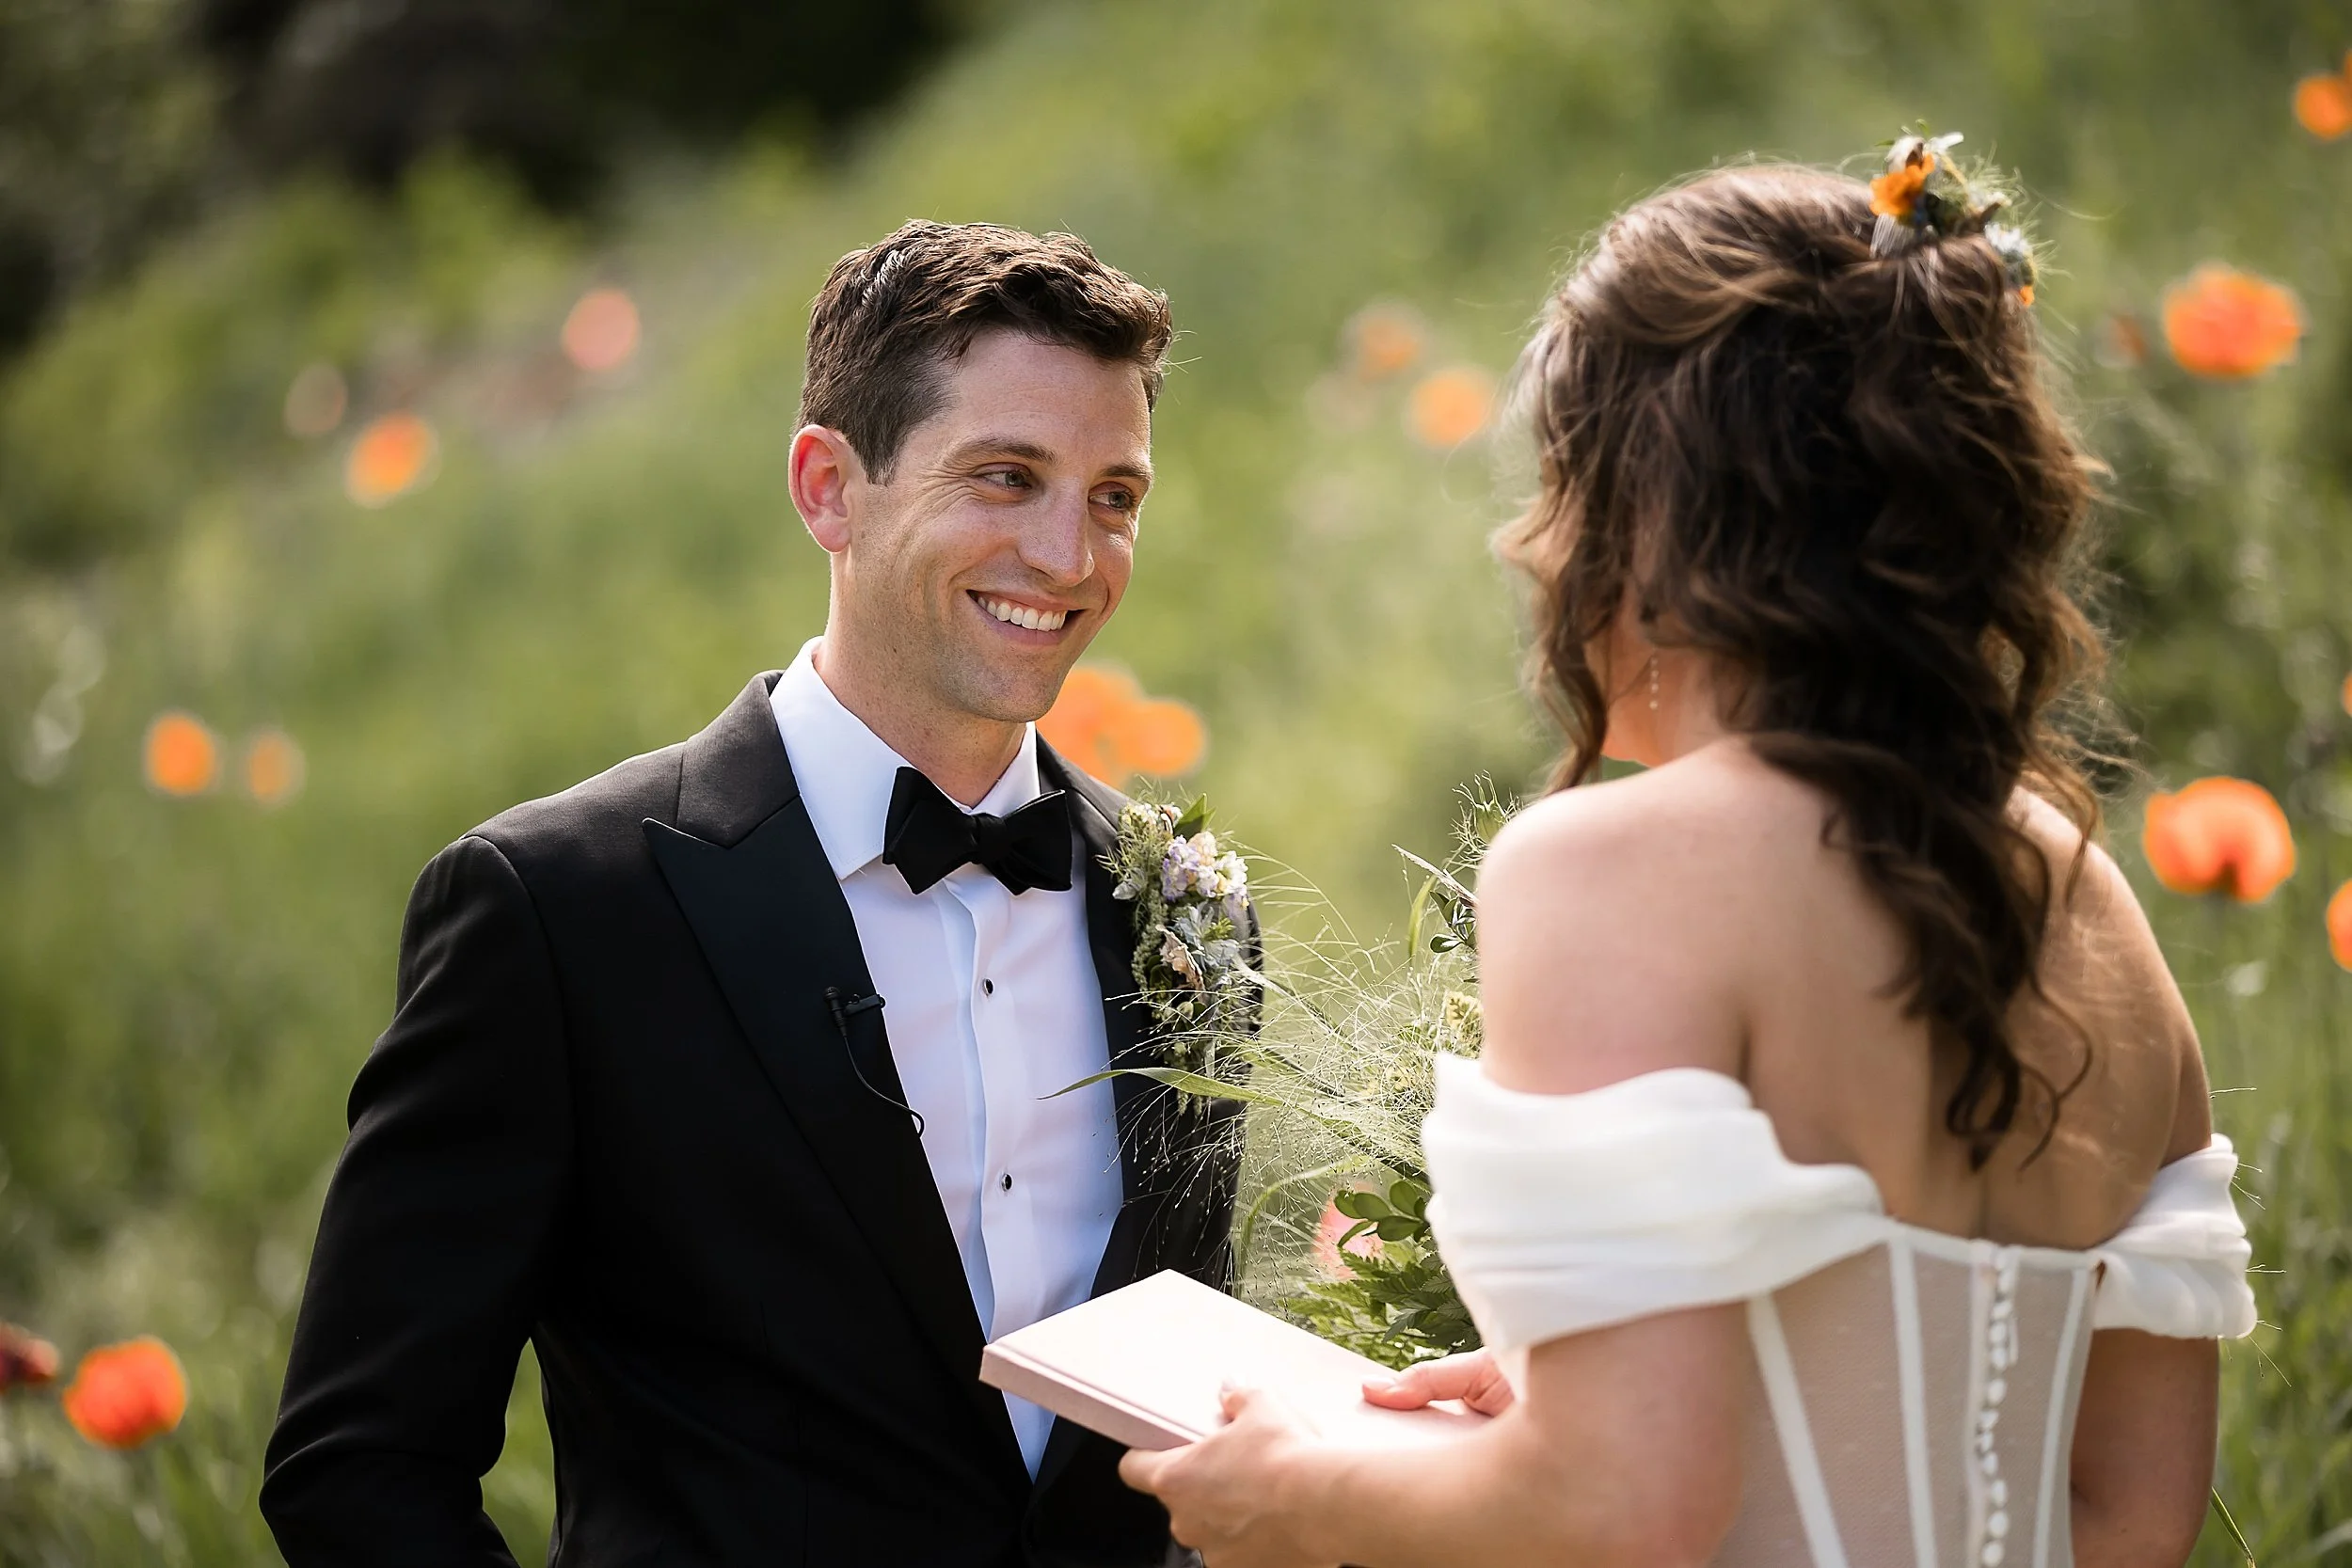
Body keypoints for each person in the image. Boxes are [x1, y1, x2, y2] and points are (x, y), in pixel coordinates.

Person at [1120, 148, 2255, 1567]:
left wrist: (1300, 1488)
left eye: (1563, 477)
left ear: (1656, 512)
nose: (1534, 542)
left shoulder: (1613, 868)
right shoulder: (2094, 902)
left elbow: (1626, 1503)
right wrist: (1577, 1395)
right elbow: (2129, 1521)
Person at [262, 220, 1247, 1567]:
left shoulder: (1189, 914)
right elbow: (359, 1466)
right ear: (829, 489)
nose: (1071, 556)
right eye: (1006, 477)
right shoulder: (555, 911)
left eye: (1115, 496)